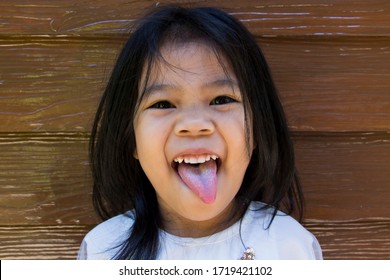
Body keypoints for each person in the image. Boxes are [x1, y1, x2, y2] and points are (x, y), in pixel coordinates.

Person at [77, 5, 322, 260]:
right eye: (162, 104)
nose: (194, 124)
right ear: (132, 139)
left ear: (258, 127)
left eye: (221, 99)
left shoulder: (289, 247)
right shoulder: (102, 250)